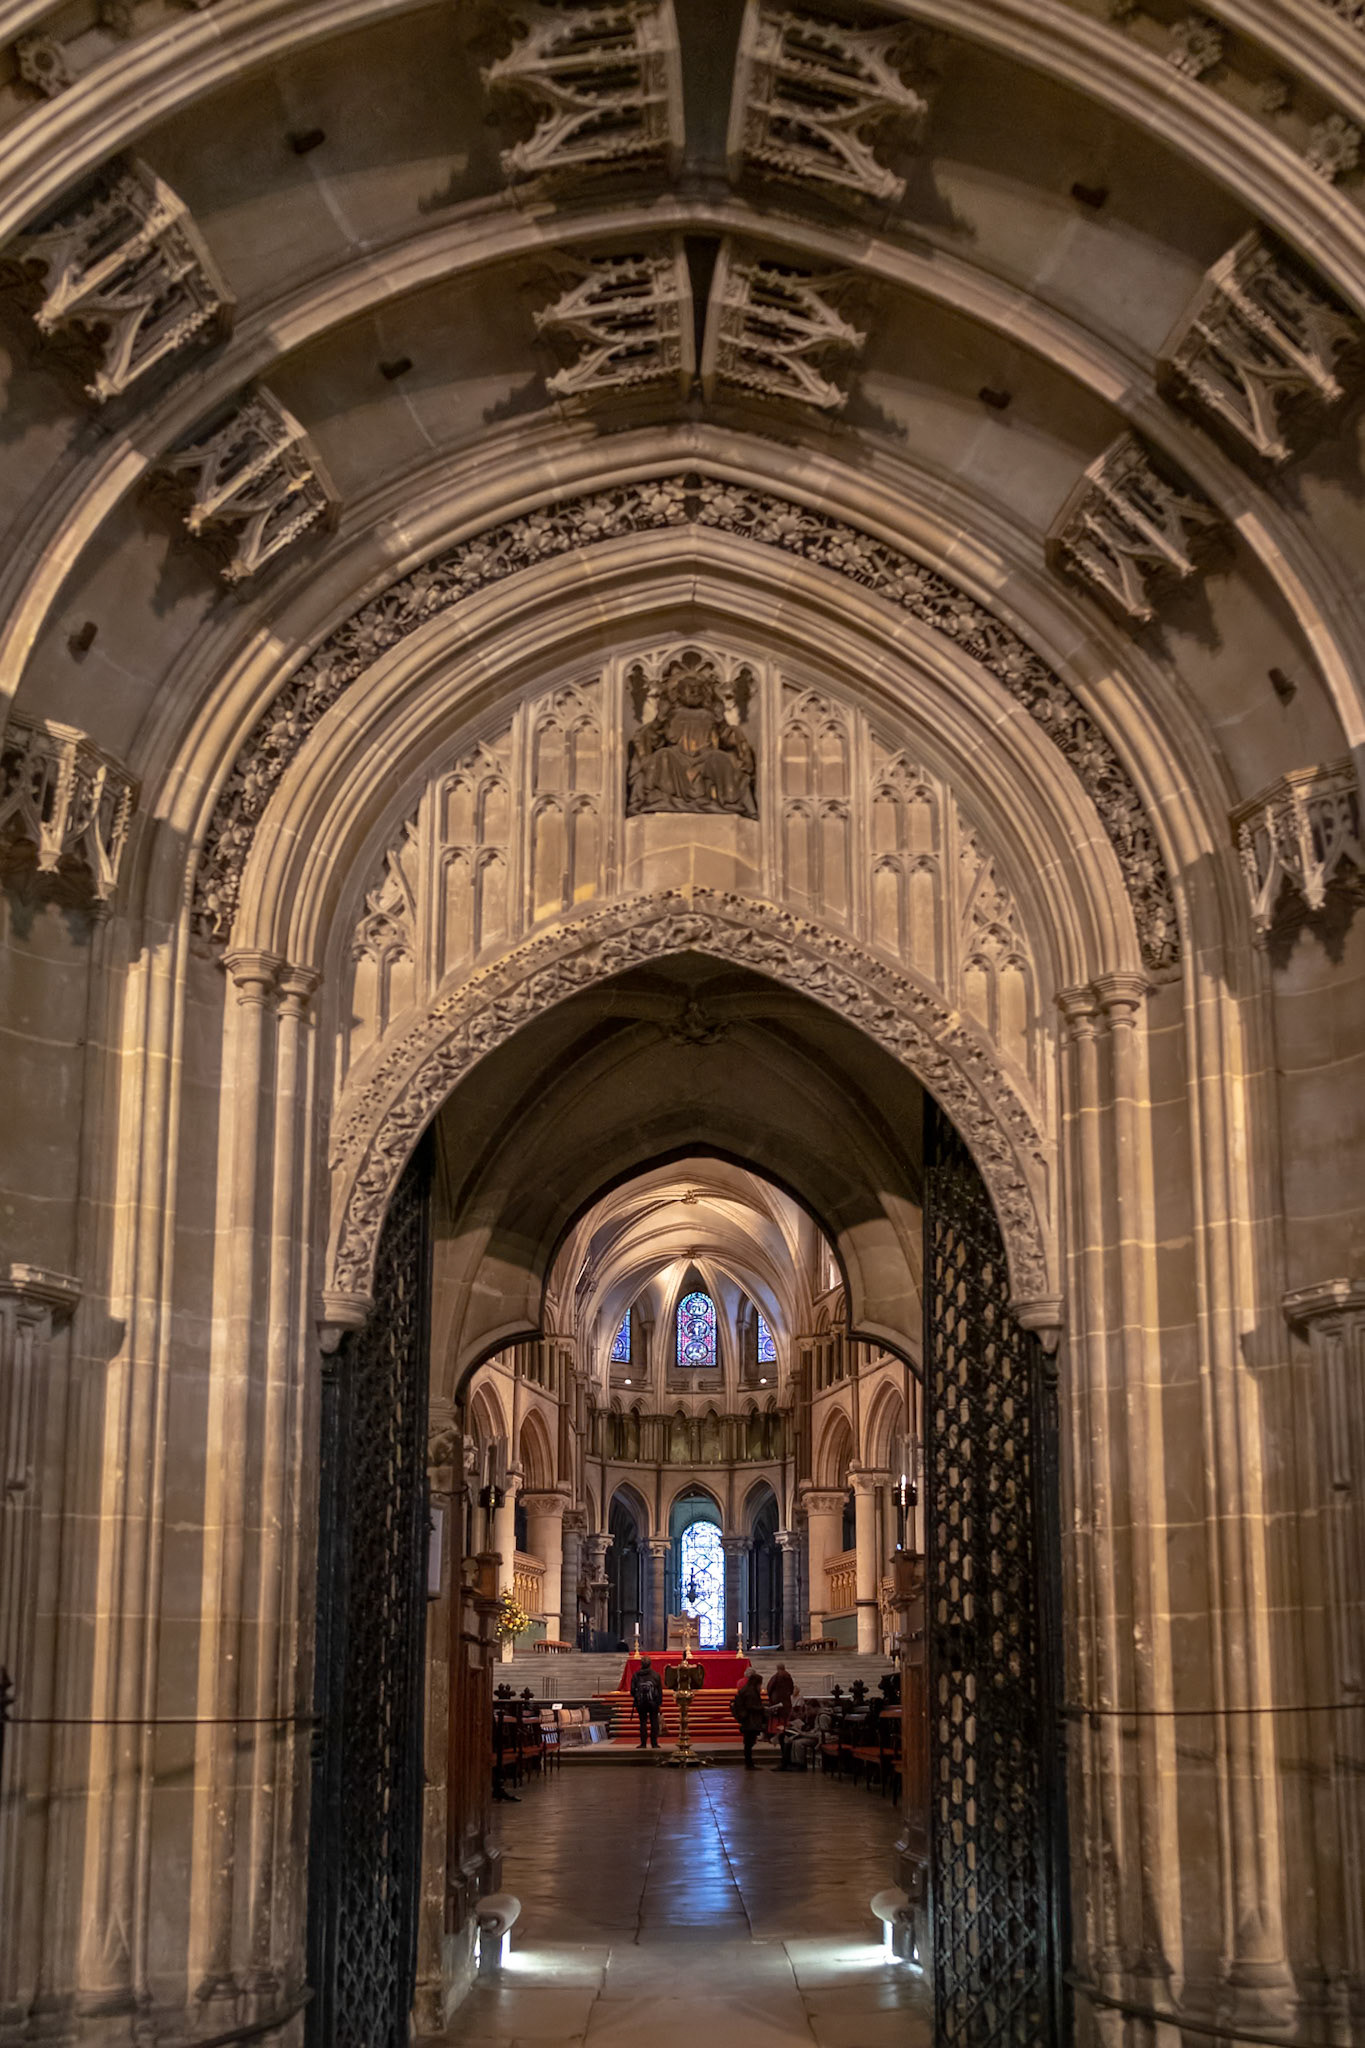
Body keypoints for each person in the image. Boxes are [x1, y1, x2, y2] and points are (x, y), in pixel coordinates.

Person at [730, 1670, 767, 1769]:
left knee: (748, 1742)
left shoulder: (746, 1689)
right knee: (749, 1742)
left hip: (747, 1719)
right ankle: (749, 1764)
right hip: (751, 1720)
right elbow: (751, 1706)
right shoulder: (751, 1692)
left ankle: (749, 1763)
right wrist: (762, 1708)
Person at [630, 1655, 663, 1749]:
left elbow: (632, 1690)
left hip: (641, 1703)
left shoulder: (636, 1675)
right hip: (653, 1703)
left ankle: (643, 1743)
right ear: (650, 1664)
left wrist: (637, 1698)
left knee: (642, 1723)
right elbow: (659, 1690)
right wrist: (659, 1703)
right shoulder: (655, 1675)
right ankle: (654, 1743)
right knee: (654, 1722)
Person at [766, 1663, 795, 1729]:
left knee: (776, 1717)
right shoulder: (788, 1676)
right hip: (786, 1700)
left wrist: (770, 1696)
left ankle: (774, 1730)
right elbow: (791, 1688)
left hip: (776, 1700)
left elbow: (769, 1687)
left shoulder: (776, 1677)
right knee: (785, 1717)